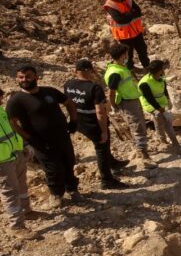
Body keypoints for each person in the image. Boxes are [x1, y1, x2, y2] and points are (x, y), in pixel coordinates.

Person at [5, 66, 79, 207]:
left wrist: (73, 121)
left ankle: (73, 190)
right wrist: (29, 139)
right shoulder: (16, 100)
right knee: (53, 168)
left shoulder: (49, 91)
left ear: (36, 77)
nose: (24, 80)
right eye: (21, 77)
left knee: (68, 163)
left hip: (63, 137)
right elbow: (12, 122)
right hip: (41, 142)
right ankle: (56, 195)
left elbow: (69, 103)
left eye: (28, 76)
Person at [64, 59, 128, 189]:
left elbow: (68, 103)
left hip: (77, 120)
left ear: (75, 71)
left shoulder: (68, 84)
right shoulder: (94, 88)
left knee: (103, 146)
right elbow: (100, 111)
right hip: (92, 123)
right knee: (102, 147)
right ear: (91, 71)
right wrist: (103, 130)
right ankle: (107, 180)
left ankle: (113, 163)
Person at [105, 44, 151, 162]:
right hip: (127, 102)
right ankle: (144, 157)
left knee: (140, 124)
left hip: (133, 99)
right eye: (126, 53)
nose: (128, 56)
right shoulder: (115, 73)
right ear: (122, 55)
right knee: (137, 127)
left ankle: (142, 148)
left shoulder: (121, 67)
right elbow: (111, 92)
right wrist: (114, 106)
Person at [0, 88, 32, 234]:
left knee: (21, 185)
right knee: (10, 192)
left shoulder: (1, 112)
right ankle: (16, 225)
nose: (1, 101)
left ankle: (27, 211)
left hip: (16, 154)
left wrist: (24, 145)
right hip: (2, 161)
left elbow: (12, 131)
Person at [103, 0, 150, 70]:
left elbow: (138, 11)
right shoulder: (110, 5)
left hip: (136, 32)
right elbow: (120, 20)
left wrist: (127, 15)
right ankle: (130, 70)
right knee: (128, 54)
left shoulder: (128, 0)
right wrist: (131, 13)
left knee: (142, 50)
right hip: (124, 35)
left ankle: (147, 66)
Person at [138, 60, 181, 151]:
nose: (164, 70)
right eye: (163, 69)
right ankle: (171, 142)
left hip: (161, 102)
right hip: (149, 104)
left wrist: (168, 100)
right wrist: (163, 111)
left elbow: (164, 89)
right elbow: (151, 100)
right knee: (160, 117)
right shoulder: (144, 83)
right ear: (159, 70)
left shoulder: (160, 78)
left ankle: (166, 140)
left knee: (165, 121)